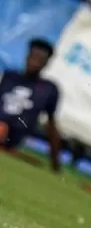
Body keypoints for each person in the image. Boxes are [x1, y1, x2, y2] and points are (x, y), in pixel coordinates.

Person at [0, 38, 63, 171]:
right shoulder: (9, 76)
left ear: (46, 63)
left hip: (11, 135)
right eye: (33, 57)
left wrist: (55, 162)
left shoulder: (48, 89)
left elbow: (51, 125)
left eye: (39, 59)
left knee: (2, 129)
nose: (34, 62)